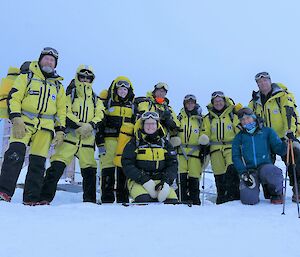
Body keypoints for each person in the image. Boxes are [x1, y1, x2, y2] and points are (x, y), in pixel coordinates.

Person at [0, 47, 66, 205]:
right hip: (23, 123)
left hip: (45, 128)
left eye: (52, 60)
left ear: (55, 64)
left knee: (38, 163)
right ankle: (4, 192)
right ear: (40, 60)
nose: (49, 61)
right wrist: (16, 118)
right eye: (46, 58)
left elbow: (61, 111)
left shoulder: (58, 86)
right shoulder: (26, 77)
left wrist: (60, 131)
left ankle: (31, 197)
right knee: (15, 155)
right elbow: (14, 97)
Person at [39, 65, 104, 204]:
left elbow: (100, 114)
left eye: (88, 77)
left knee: (89, 171)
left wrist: (90, 125)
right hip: (70, 138)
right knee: (56, 167)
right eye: (82, 77)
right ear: (77, 77)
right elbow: (64, 111)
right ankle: (44, 198)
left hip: (87, 141)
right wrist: (79, 124)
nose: (85, 80)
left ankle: (89, 201)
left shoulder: (95, 99)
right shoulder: (70, 94)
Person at [249, 72, 300, 202]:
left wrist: (291, 132)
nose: (263, 84)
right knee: (264, 165)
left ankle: (297, 190)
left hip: (284, 136)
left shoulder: (282, 96)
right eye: (259, 82)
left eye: (265, 81)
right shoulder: (255, 101)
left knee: (294, 158)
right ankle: (273, 193)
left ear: (270, 81)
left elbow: (290, 115)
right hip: (264, 138)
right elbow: (249, 117)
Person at [232, 107, 286, 205]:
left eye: (248, 118)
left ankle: (276, 193)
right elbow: (236, 156)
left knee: (272, 172)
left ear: (254, 117)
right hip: (249, 171)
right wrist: (243, 173)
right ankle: (253, 191)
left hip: (265, 167)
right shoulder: (239, 137)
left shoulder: (267, 131)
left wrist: (286, 143)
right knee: (248, 200)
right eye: (242, 120)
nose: (246, 121)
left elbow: (279, 149)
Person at [121, 111, 178, 203]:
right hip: (139, 181)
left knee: (172, 202)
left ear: (157, 125)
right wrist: (144, 179)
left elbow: (173, 164)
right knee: (145, 200)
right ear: (142, 125)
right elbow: (127, 164)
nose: (150, 126)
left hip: (160, 181)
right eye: (147, 124)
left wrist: (166, 181)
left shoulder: (165, 144)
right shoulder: (134, 143)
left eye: (153, 124)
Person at [96, 76, 135, 203]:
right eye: (120, 89)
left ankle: (123, 198)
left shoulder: (132, 106)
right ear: (115, 90)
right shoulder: (107, 103)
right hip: (109, 140)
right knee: (108, 169)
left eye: (125, 90)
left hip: (125, 142)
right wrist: (100, 142)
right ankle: (107, 198)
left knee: (123, 169)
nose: (123, 92)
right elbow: (100, 123)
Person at [201, 91, 240, 204]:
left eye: (220, 101)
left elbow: (238, 131)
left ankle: (234, 196)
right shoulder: (208, 118)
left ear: (224, 101)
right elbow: (206, 132)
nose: (218, 103)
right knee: (219, 174)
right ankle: (221, 197)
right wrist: (204, 142)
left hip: (230, 147)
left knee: (232, 169)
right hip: (215, 149)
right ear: (212, 103)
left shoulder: (232, 115)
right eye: (216, 101)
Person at [176, 94, 204, 205]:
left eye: (192, 102)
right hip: (181, 151)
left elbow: (204, 131)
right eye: (188, 102)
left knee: (194, 176)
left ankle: (195, 200)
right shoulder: (180, 117)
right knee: (181, 176)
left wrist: (204, 144)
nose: (190, 104)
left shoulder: (200, 119)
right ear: (184, 104)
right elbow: (174, 129)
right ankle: (182, 198)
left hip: (195, 152)